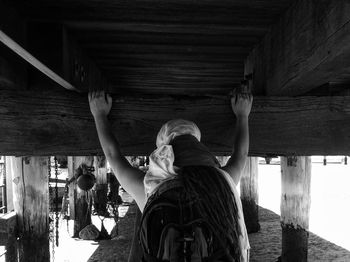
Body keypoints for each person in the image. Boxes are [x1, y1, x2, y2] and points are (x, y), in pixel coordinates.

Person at [89, 90, 253, 261]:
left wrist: (98, 114)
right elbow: (241, 154)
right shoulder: (220, 183)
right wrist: (243, 114)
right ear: (199, 148)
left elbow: (112, 155)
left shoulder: (151, 187)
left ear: (165, 151)